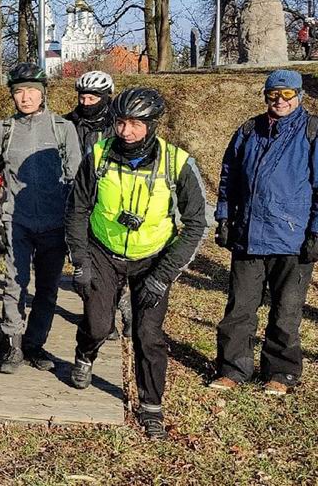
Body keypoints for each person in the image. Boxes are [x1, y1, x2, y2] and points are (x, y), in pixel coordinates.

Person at [65, 87, 208, 439]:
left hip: (152, 258)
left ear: (152, 125)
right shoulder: (98, 156)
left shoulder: (177, 163)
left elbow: (196, 225)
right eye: (120, 123)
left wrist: (164, 274)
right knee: (99, 324)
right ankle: (85, 352)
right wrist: (80, 260)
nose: (125, 131)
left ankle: (151, 406)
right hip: (103, 251)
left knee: (148, 334)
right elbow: (77, 210)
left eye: (135, 124)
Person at [210, 69, 317, 396]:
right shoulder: (248, 131)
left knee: (286, 312)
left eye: (287, 95)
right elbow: (228, 179)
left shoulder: (312, 132)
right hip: (249, 236)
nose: (280, 101)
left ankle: (280, 373)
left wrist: (315, 232)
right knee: (239, 309)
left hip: (293, 239)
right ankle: (232, 368)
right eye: (273, 95)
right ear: (265, 96)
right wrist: (225, 218)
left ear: (299, 96)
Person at [0, 62, 81, 374]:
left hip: (54, 222)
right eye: (19, 92)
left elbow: (77, 179)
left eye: (32, 91)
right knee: (15, 282)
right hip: (16, 221)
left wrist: (75, 225)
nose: (25, 98)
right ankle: (12, 343)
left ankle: (34, 343)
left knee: (48, 287)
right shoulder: (3, 130)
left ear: (43, 94)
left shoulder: (63, 129)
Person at [65, 71, 130, 341]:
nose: (86, 101)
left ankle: (121, 305)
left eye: (92, 97)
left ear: (105, 98)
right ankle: (100, 316)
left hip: (110, 198)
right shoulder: (68, 123)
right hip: (78, 196)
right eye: (82, 96)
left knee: (114, 260)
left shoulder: (118, 125)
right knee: (89, 262)